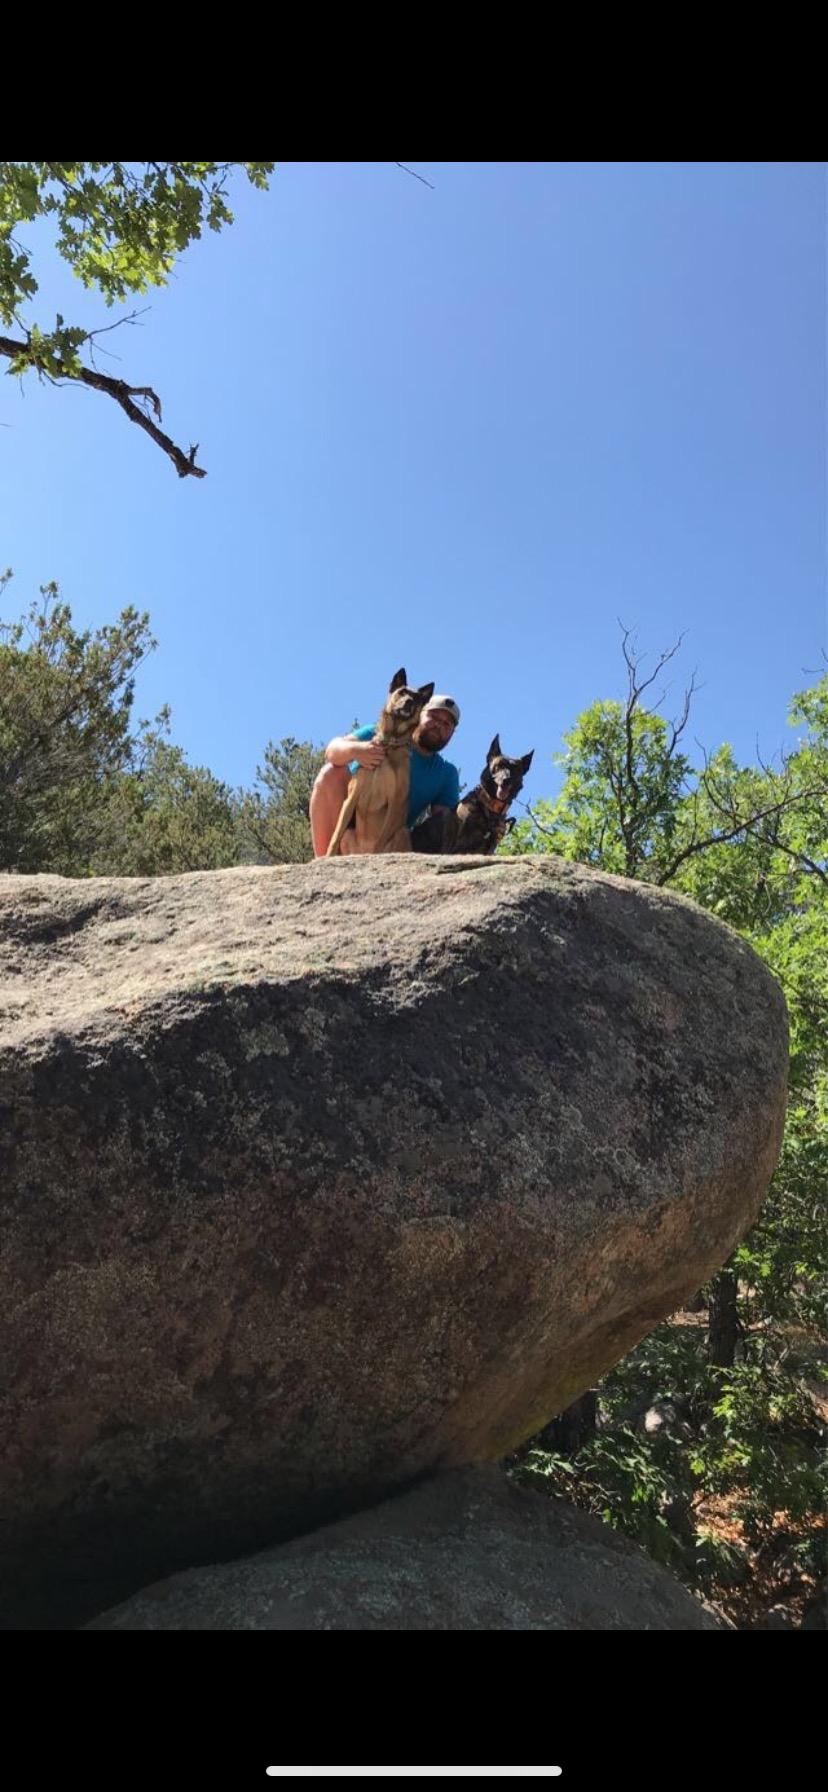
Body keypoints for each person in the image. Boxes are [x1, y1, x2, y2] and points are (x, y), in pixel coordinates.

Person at [310, 694, 461, 858]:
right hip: (351, 829)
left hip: (388, 841)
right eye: (433, 716)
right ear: (419, 715)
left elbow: (442, 824)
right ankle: (324, 862)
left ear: (452, 734)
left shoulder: (446, 773)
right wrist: (357, 750)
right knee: (330, 773)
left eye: (447, 724)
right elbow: (332, 750)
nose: (438, 725)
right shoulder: (380, 734)